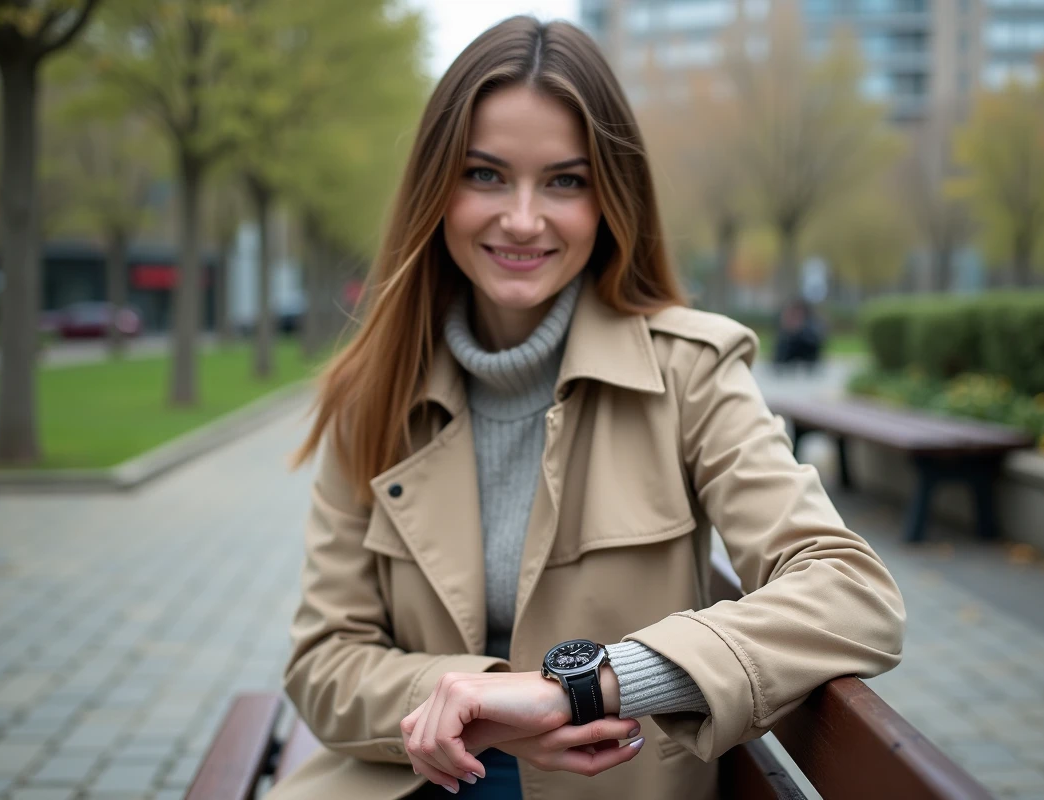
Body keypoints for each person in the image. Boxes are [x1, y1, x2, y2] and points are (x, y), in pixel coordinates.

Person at [269, 16, 904, 800]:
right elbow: (324, 658)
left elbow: (849, 590)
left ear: (610, 198)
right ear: (436, 187)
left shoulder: (690, 373)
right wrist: (476, 699)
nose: (524, 218)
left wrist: (581, 687)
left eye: (565, 181)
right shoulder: (374, 396)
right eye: (485, 175)